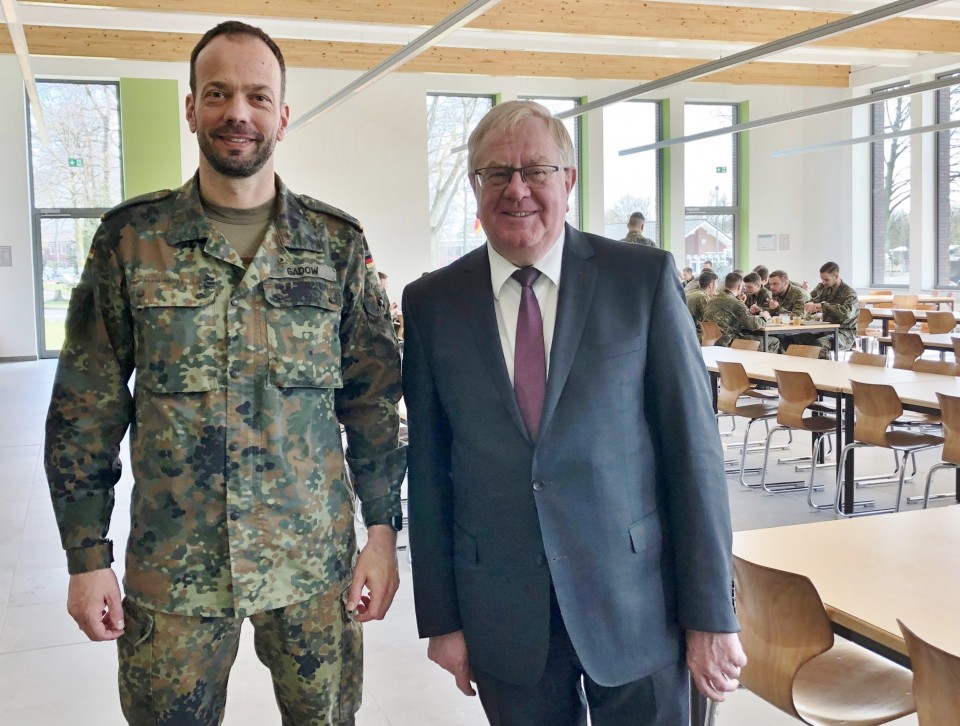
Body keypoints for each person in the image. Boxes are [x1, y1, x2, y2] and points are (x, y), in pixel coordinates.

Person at [43, 21, 405, 725]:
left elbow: (372, 402)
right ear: (191, 109)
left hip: (312, 568)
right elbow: (85, 407)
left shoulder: (335, 244)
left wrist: (384, 534)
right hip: (174, 573)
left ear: (282, 116)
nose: (238, 112)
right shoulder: (130, 242)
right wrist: (86, 555)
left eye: (257, 96)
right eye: (218, 93)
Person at [402, 100, 744, 726]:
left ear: (569, 180)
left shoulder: (640, 279)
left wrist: (712, 614)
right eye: (497, 173)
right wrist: (443, 619)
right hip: (503, 611)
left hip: (639, 603)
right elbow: (427, 475)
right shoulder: (432, 303)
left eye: (536, 169)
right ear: (475, 188)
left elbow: (693, 456)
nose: (518, 189)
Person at [703, 272, 778, 351]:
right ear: (739, 287)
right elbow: (753, 324)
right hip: (729, 341)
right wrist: (764, 317)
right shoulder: (736, 303)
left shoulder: (712, 299)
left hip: (712, 340)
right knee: (774, 341)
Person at [798, 261, 860, 357]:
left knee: (820, 344)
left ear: (836, 276)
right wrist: (810, 302)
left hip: (844, 333)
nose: (823, 282)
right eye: (822, 279)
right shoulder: (825, 289)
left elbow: (847, 313)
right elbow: (812, 299)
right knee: (795, 339)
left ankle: (827, 370)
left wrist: (823, 306)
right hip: (825, 330)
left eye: (826, 280)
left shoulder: (849, 293)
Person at [687, 269, 718, 341]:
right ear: (711, 285)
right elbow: (709, 319)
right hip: (695, 334)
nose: (717, 286)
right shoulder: (702, 297)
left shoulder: (691, 293)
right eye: (716, 283)